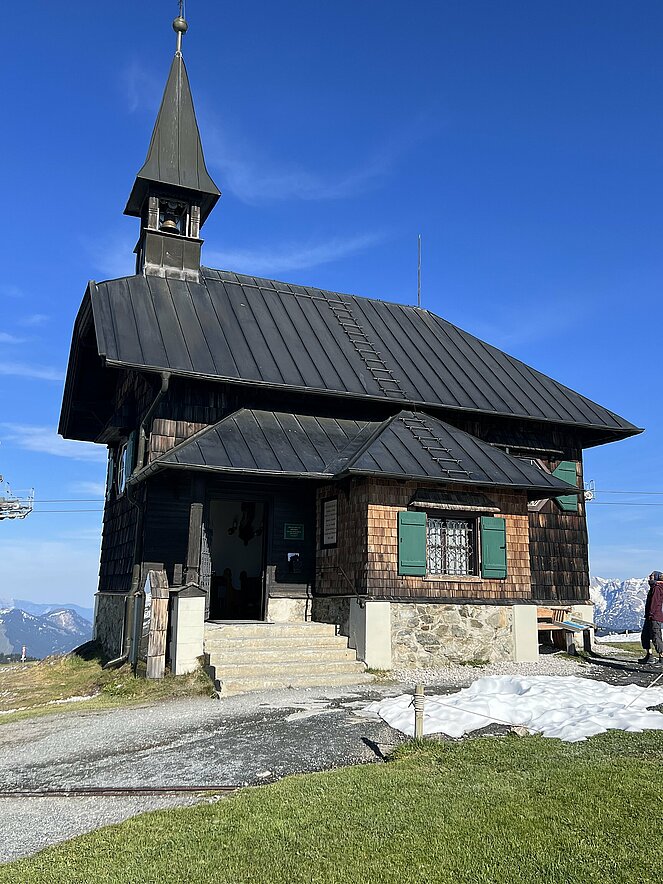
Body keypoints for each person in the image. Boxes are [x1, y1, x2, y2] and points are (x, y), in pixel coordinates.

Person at [639, 571, 663, 665]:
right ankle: (649, 655)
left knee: (656, 637)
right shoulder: (653, 587)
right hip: (650, 616)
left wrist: (651, 614)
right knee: (645, 636)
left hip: (654, 616)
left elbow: (655, 602)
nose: (649, 577)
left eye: (652, 576)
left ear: (657, 577)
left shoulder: (657, 588)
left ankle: (662, 657)